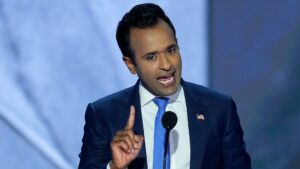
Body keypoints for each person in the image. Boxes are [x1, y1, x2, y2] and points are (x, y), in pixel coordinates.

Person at [78, 3, 251, 169]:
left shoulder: (219, 109)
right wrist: (115, 168)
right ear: (130, 65)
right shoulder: (103, 115)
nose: (167, 65)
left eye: (171, 50)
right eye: (151, 57)